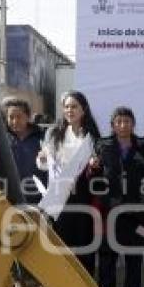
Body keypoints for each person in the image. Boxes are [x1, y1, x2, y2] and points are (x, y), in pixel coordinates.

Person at [94, 107, 144, 287]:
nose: (123, 125)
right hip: (110, 213)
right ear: (112, 125)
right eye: (118, 121)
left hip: (136, 213)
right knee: (107, 261)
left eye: (127, 121)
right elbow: (95, 178)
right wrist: (93, 167)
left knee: (134, 262)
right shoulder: (102, 146)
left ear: (133, 124)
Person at [37, 91, 101, 275]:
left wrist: (94, 165)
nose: (69, 110)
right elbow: (44, 165)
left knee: (83, 246)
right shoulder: (53, 132)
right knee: (61, 247)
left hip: (82, 197)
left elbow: (99, 168)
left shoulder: (92, 136)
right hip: (59, 199)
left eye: (74, 106)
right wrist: (41, 159)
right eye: (66, 106)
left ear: (84, 109)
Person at [4, 97, 47, 204]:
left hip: (39, 200)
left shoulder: (43, 137)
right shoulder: (2, 139)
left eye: (19, 117)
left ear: (28, 117)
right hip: (10, 200)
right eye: (11, 117)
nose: (15, 121)